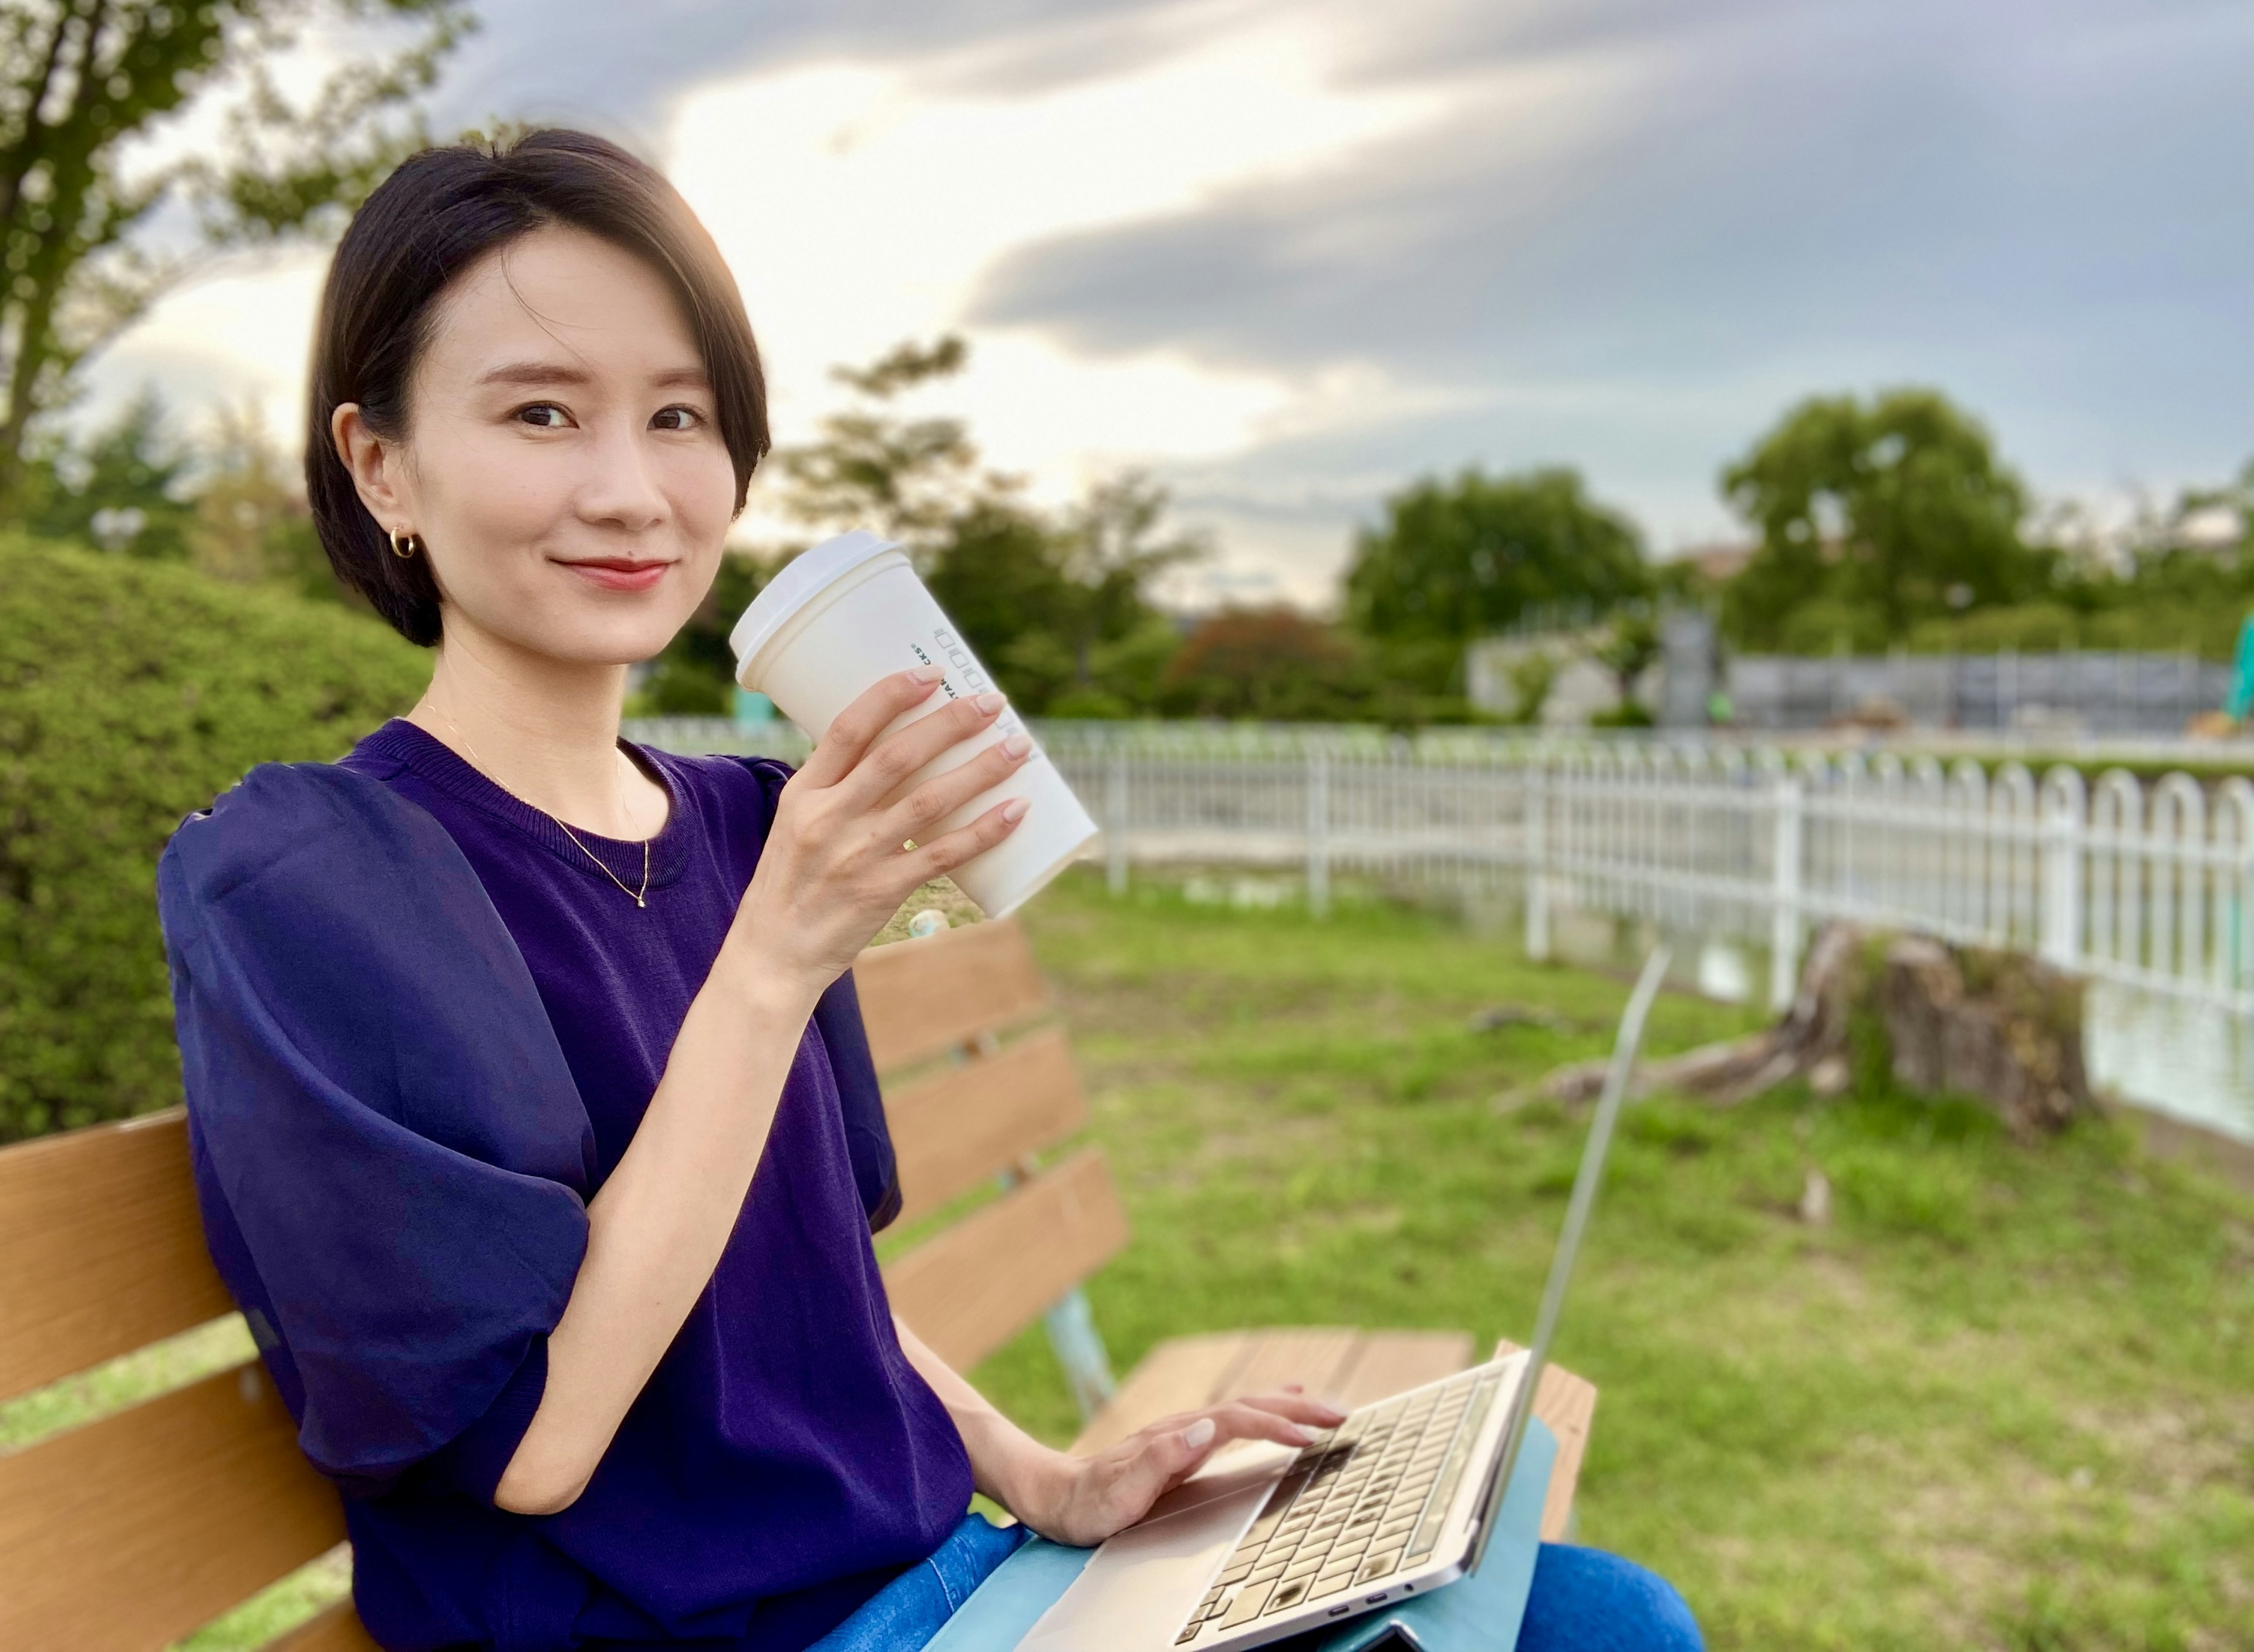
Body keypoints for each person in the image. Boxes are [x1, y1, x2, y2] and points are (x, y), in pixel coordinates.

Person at [157, 130, 1700, 1652]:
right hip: (717, 1631)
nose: (631, 491)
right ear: (381, 464)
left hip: (962, 1576)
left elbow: (797, 1274)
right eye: (542, 413)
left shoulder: (749, 824)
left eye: (680, 416)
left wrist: (1053, 1476)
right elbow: (533, 1444)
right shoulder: (318, 886)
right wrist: (770, 967)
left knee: (1604, 1617)